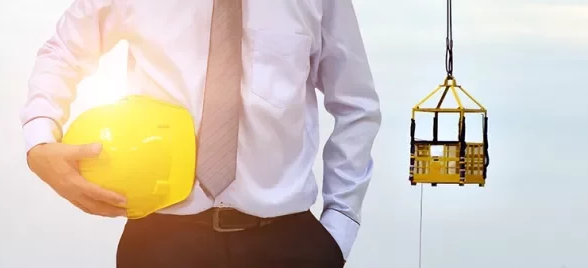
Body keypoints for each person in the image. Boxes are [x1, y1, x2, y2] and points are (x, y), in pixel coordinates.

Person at [19, 0, 381, 267]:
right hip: (161, 241)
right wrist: (39, 139)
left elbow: (355, 103)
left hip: (287, 243)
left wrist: (339, 228)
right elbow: (62, 51)